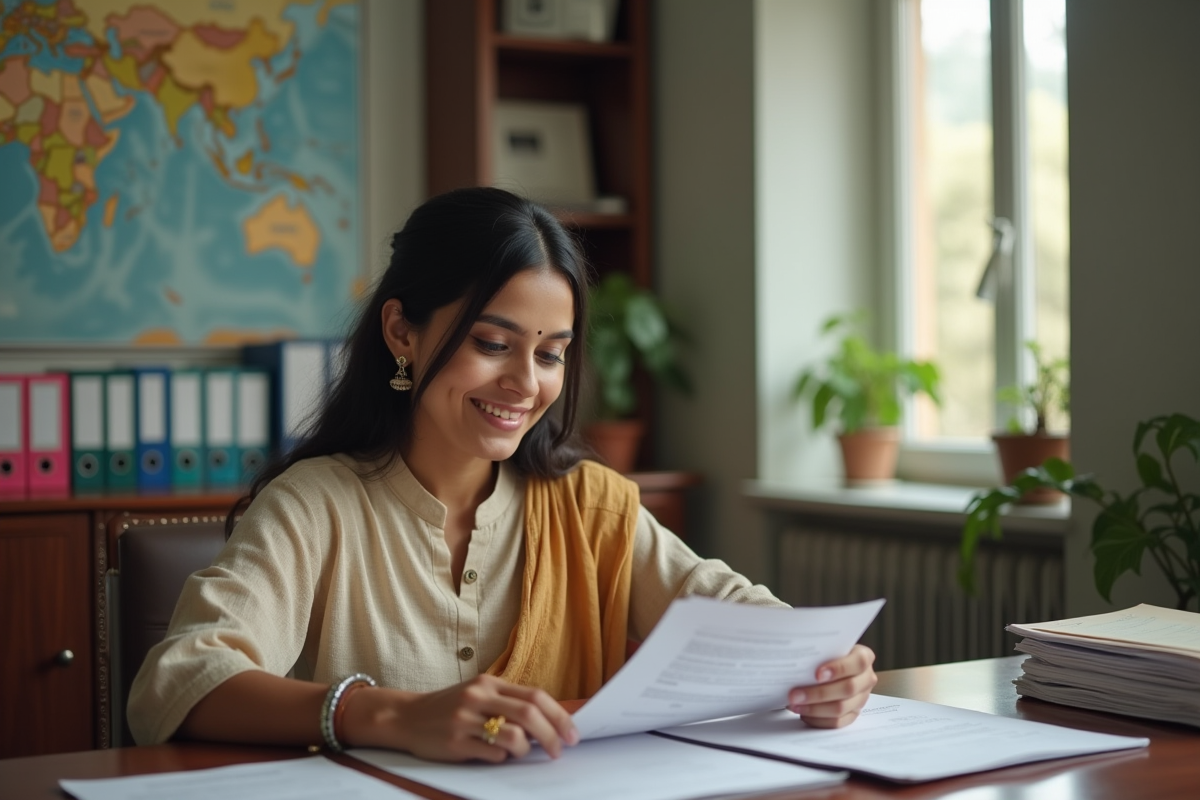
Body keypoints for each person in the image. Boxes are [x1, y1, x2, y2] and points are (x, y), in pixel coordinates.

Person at [127, 187, 877, 763]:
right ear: (401, 332)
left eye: (550, 352)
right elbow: (180, 680)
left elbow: (741, 616)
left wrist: (827, 667)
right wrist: (388, 714)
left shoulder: (588, 506)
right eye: (493, 342)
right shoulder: (316, 506)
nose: (525, 382)